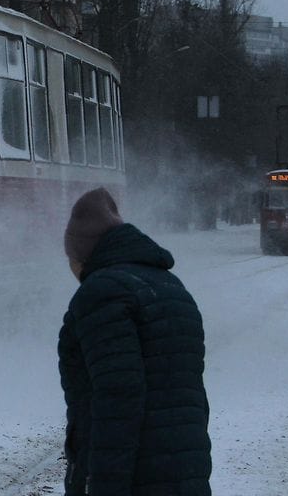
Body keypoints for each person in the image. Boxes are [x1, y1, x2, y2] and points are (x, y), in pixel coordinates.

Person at [57, 187, 212, 496]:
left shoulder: (101, 294)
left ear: (83, 254)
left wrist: (102, 487)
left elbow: (117, 402)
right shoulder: (171, 286)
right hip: (186, 473)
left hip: (138, 480)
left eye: (70, 257)